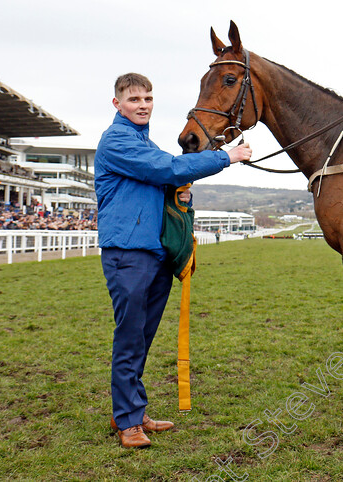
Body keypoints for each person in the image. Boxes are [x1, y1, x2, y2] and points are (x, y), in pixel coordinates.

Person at [95, 73, 252, 448]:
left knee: (143, 338)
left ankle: (134, 411)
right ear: (117, 104)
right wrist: (225, 157)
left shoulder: (141, 141)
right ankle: (126, 422)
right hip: (127, 254)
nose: (143, 105)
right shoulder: (116, 140)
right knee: (130, 337)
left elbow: (169, 174)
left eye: (148, 98)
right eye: (134, 99)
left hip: (154, 253)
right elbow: (167, 169)